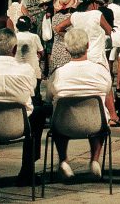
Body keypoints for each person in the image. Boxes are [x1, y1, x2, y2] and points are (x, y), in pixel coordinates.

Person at [0, 29, 49, 186]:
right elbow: (31, 90)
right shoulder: (26, 70)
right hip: (18, 126)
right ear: (14, 49)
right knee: (38, 112)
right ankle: (27, 168)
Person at [46, 28, 111, 179]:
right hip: (95, 124)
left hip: (64, 125)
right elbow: (107, 92)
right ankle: (94, 160)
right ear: (88, 45)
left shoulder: (58, 73)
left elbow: (48, 98)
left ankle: (63, 160)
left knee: (59, 114)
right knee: (97, 113)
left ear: (67, 48)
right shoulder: (100, 70)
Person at [14, 16, 44, 80]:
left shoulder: (14, 36)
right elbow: (41, 51)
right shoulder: (34, 37)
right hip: (33, 71)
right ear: (30, 26)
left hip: (17, 71)